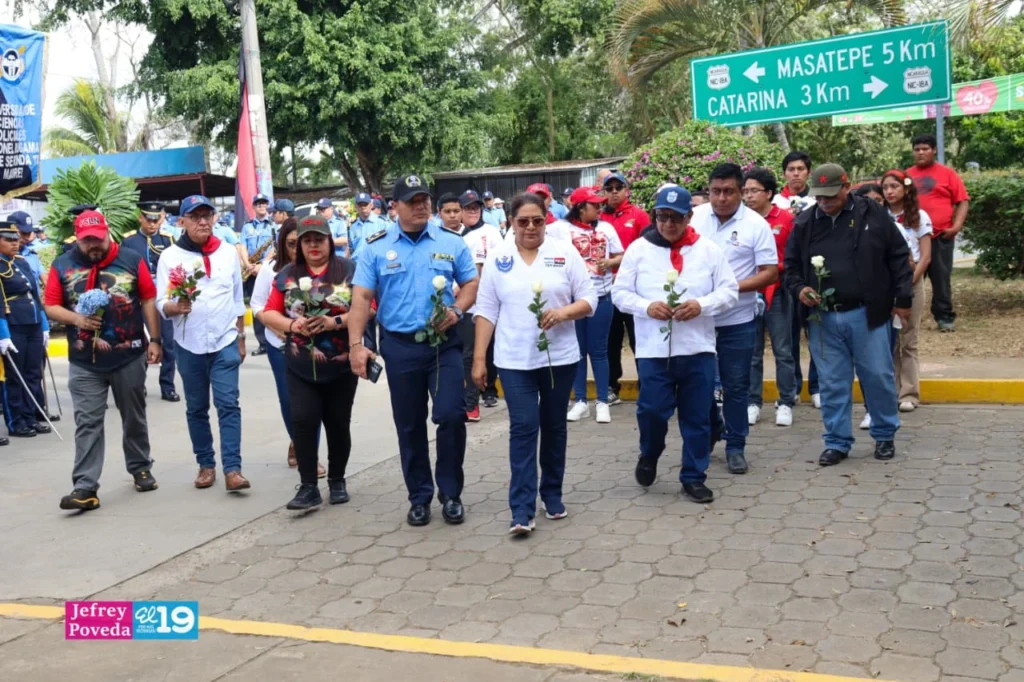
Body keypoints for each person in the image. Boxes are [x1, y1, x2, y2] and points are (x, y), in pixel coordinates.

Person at [348, 174, 480, 527]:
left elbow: (470, 282)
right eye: (412, 201)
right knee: (409, 425)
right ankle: (419, 497)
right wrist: (356, 344)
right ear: (395, 207)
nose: (421, 206)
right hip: (400, 347)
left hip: (444, 345)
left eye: (424, 200)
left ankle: (451, 493)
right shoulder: (375, 247)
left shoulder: (450, 241)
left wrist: (457, 310)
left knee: (451, 415)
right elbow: (361, 298)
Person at [473, 192, 597, 534]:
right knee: (524, 426)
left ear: (546, 220)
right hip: (514, 360)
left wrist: (564, 313)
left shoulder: (564, 252)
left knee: (554, 426)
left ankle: (552, 494)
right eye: (523, 221)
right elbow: (486, 310)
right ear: (511, 222)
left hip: (559, 358)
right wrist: (480, 359)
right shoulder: (499, 258)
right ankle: (521, 508)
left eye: (537, 220)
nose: (530, 227)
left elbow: (589, 298)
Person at [613, 186, 739, 503]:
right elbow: (620, 293)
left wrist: (701, 305)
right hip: (654, 351)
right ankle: (650, 452)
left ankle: (693, 477)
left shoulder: (708, 250)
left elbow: (729, 291)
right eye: (662, 216)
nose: (669, 224)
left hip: (698, 349)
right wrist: (646, 306)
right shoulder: (638, 250)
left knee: (696, 417)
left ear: (689, 216)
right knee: (652, 411)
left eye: (676, 218)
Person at [784, 164, 914, 467]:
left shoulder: (872, 213)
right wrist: (800, 289)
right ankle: (837, 441)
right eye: (819, 197)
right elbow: (790, 268)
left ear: (846, 187)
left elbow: (898, 256)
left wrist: (902, 299)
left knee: (877, 376)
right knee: (832, 382)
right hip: (823, 318)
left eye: (831, 196)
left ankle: (884, 435)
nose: (824, 202)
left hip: (867, 313)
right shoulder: (805, 222)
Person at [44, 210, 163, 510]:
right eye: (87, 241)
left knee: (133, 415)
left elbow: (148, 298)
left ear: (107, 233)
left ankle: (140, 467)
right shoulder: (62, 265)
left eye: (98, 239)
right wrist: (76, 319)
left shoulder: (131, 259)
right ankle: (85, 486)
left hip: (129, 355)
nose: (94, 245)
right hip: (84, 361)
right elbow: (51, 305)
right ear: (77, 238)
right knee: (87, 421)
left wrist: (155, 339)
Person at [261, 216, 365, 510]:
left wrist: (335, 322)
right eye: (307, 240)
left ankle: (337, 480)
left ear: (329, 241)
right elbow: (268, 312)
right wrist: (292, 325)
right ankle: (308, 487)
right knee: (303, 421)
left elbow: (367, 307)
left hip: (340, 364)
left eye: (319, 239)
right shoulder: (287, 274)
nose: (313, 245)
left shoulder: (348, 269)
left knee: (338, 423)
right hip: (300, 364)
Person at [156, 195, 251, 492]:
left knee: (228, 404)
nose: (202, 222)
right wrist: (175, 307)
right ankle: (206, 464)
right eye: (195, 217)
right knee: (197, 408)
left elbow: (237, 299)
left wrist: (241, 338)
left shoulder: (227, 252)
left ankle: (233, 469)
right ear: (182, 221)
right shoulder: (169, 257)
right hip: (189, 344)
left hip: (225, 340)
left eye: (207, 216)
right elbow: (161, 301)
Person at [691, 163, 778, 475]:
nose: (721, 198)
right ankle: (712, 427)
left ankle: (736, 445)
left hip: (738, 320)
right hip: (698, 319)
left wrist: (728, 289)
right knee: (698, 384)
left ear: (741, 192)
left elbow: (769, 273)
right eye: (715, 191)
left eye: (729, 191)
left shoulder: (756, 225)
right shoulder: (695, 218)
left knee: (736, 386)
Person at [250, 218, 326, 478]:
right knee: (289, 400)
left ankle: (309, 455)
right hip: (280, 345)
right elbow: (257, 305)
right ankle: (300, 442)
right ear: (282, 244)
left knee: (312, 401)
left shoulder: (319, 269)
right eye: (291, 244)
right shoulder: (271, 270)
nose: (297, 249)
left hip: (313, 344)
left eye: (301, 243)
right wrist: (275, 326)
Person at [564, 186, 624, 424]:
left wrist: (610, 263)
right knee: (577, 351)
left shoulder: (607, 228)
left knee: (598, 351)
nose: (600, 208)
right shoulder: (562, 230)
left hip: (601, 297)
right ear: (580, 208)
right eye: (594, 205)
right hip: (574, 300)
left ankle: (602, 401)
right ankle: (580, 401)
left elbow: (621, 255)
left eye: (600, 204)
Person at [742, 167, 796, 427]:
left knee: (783, 350)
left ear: (769, 193)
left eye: (754, 191)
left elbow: (794, 256)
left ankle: (785, 402)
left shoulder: (785, 219)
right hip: (749, 291)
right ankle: (753, 402)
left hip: (778, 290)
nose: (749, 196)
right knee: (752, 352)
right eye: (746, 191)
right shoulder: (741, 220)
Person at [906, 133, 969, 332]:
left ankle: (944, 317)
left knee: (941, 278)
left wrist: (956, 227)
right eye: (917, 149)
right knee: (909, 276)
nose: (921, 152)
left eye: (925, 149)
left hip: (940, 236)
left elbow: (963, 201)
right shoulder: (906, 175)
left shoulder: (948, 174)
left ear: (934, 150)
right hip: (912, 238)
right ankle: (905, 314)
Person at [882, 170, 932, 413]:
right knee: (888, 340)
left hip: (912, 282)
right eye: (885, 187)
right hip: (886, 284)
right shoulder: (880, 216)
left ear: (906, 189)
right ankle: (891, 391)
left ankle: (909, 393)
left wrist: (908, 282)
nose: (890, 191)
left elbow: (926, 257)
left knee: (909, 339)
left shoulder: (919, 217)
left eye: (895, 186)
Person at [601, 171, 651, 405]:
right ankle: (612, 385)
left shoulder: (639, 216)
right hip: (607, 288)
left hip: (634, 288)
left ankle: (647, 385)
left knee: (639, 339)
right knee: (610, 340)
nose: (613, 192)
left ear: (627, 191)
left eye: (618, 188)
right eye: (609, 189)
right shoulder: (599, 218)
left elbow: (648, 249)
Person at [455, 190, 503, 420]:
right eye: (468, 208)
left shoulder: (491, 232)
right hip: (466, 303)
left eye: (476, 207)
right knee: (469, 353)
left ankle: (488, 390)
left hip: (488, 300)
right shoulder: (457, 236)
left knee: (489, 349)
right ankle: (471, 402)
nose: (472, 211)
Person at [0, 219, 49, 441]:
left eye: (16, 239)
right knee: (15, 376)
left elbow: (35, 295)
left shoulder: (22, 262)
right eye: (8, 239)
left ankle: (30, 417)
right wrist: (3, 334)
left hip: (33, 322)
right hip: (14, 326)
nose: (15, 243)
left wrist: (44, 325)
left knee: (33, 372)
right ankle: (16, 421)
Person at [241, 194, 275, 356]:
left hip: (268, 268)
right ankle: (262, 343)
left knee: (272, 303)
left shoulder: (273, 225)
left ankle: (274, 338)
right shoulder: (247, 227)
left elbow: (276, 246)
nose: (261, 206)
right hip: (251, 270)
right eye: (258, 204)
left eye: (264, 203)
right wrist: (247, 264)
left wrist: (262, 265)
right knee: (256, 305)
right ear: (253, 207)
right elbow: (242, 246)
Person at [347, 192, 389, 256]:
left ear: (371, 205)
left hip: (377, 260)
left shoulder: (382, 223)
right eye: (360, 205)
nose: (363, 207)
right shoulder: (353, 227)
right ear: (356, 207)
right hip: (358, 260)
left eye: (365, 204)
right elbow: (351, 247)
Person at [7, 212, 43, 285]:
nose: (27, 238)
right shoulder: (3, 258)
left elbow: (45, 279)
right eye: (23, 233)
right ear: (11, 231)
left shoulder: (32, 255)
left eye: (29, 233)